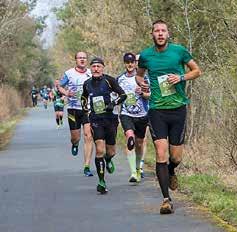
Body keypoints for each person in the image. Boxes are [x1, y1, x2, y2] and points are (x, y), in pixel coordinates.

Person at [136, 19, 202, 214]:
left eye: (163, 30)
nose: (160, 34)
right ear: (152, 34)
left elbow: (197, 70)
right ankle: (166, 199)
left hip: (178, 108)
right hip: (157, 109)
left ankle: (172, 170)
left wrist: (181, 77)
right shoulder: (146, 55)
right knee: (160, 153)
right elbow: (139, 75)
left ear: (168, 33)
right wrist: (142, 83)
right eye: (156, 31)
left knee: (176, 157)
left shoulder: (179, 51)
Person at [81, 57, 127, 194]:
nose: (96, 69)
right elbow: (83, 98)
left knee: (111, 151)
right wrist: (86, 113)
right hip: (96, 120)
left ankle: (108, 159)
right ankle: (101, 181)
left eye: (98, 66)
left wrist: (113, 104)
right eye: (93, 66)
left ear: (102, 68)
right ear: (91, 69)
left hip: (111, 119)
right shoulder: (87, 83)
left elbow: (123, 95)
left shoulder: (109, 80)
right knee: (99, 150)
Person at [58, 51, 94, 177]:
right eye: (80, 58)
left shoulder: (91, 72)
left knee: (88, 136)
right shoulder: (69, 73)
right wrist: (66, 93)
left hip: (87, 109)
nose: (82, 60)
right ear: (76, 60)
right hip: (73, 109)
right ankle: (75, 143)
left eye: (84, 58)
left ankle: (87, 166)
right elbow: (60, 86)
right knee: (76, 137)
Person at [117, 52, 150, 183]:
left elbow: (150, 96)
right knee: (130, 138)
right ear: (124, 63)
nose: (130, 64)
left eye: (132, 62)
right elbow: (116, 96)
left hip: (142, 115)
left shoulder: (144, 78)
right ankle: (132, 173)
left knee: (140, 143)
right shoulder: (119, 79)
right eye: (127, 62)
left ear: (135, 63)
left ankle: (138, 168)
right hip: (126, 114)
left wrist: (142, 93)